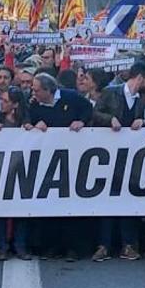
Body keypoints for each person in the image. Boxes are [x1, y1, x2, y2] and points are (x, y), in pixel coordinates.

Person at [26, 72, 93, 261]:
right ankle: (51, 246)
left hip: (74, 160)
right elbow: (28, 122)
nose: (33, 92)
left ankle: (73, 248)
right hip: (48, 163)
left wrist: (82, 121)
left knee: (70, 206)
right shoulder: (34, 105)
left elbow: (88, 109)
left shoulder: (71, 97)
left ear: (48, 90)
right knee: (50, 206)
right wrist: (33, 125)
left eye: (37, 89)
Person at [91, 62, 145, 262]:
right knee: (107, 201)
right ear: (140, 77)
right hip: (107, 156)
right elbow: (95, 113)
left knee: (128, 201)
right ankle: (104, 245)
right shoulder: (111, 92)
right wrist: (109, 119)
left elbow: (144, 120)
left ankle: (128, 245)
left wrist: (141, 122)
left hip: (130, 159)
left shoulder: (140, 100)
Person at [0, 87, 32, 261]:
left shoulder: (25, 119)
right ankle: (2, 247)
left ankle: (19, 246)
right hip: (0, 170)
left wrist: (33, 129)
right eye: (2, 99)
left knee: (21, 209)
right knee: (1, 209)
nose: (2, 103)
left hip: (21, 169)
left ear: (15, 104)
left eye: (6, 101)